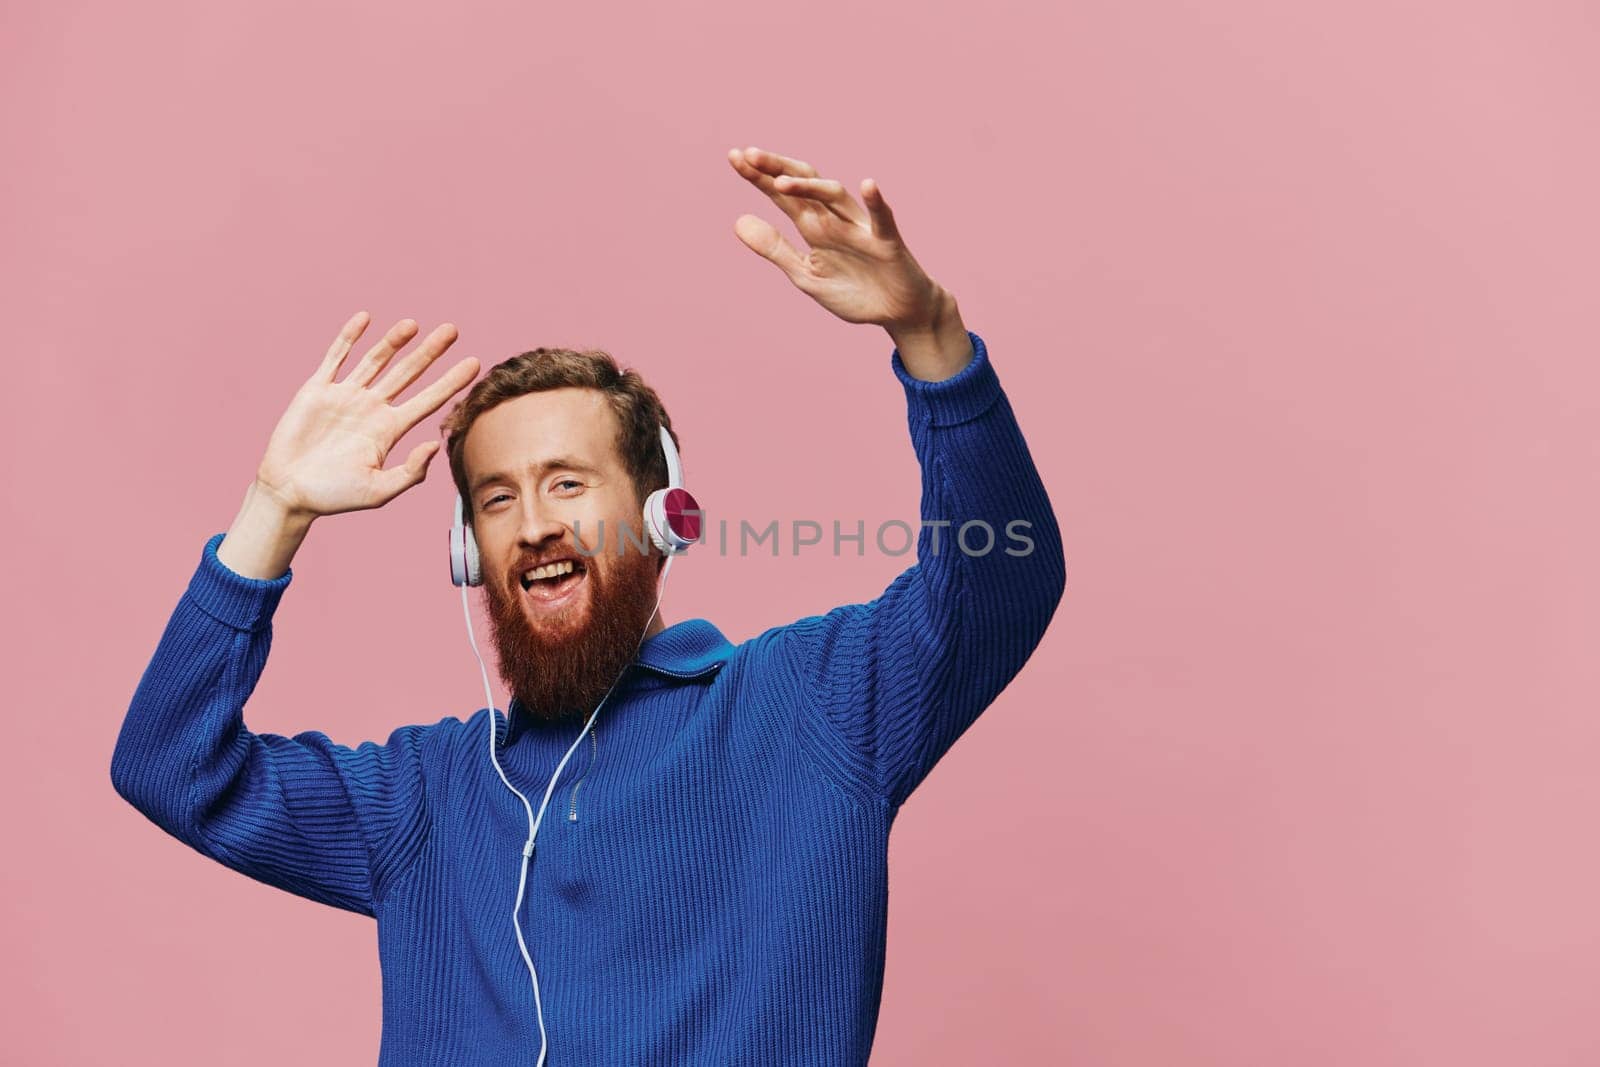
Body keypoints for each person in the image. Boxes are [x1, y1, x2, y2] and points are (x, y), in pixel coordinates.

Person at [111, 145, 1066, 1066]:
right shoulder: (424, 797)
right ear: (467, 554)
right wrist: (272, 510)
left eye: (568, 484)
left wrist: (932, 340)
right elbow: (170, 765)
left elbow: (1003, 579)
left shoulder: (811, 704)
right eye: (496, 499)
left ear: (663, 516)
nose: (532, 524)